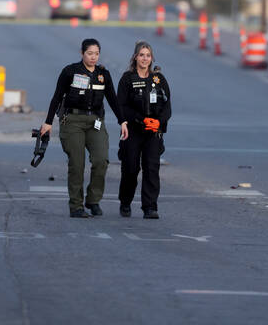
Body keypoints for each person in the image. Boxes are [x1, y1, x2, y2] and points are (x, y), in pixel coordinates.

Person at [40, 38, 128, 218]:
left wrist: (123, 121)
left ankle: (93, 200)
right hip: (73, 121)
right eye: (90, 53)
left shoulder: (103, 74)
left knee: (101, 160)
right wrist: (48, 122)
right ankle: (76, 206)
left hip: (95, 121)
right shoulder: (70, 71)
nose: (93, 57)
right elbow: (57, 97)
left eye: (96, 53)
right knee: (77, 164)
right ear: (82, 53)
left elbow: (112, 99)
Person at [116, 40, 171, 219]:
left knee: (151, 168)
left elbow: (167, 105)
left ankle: (150, 207)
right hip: (133, 130)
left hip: (153, 132)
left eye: (148, 55)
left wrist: (159, 123)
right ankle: (125, 202)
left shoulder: (158, 79)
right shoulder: (127, 78)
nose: (145, 58)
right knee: (131, 168)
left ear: (152, 58)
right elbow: (121, 106)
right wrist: (140, 119)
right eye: (141, 55)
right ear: (135, 57)